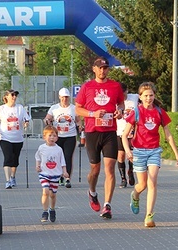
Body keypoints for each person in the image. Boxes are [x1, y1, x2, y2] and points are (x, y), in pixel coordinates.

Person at [122, 81, 178, 228]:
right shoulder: (136, 112)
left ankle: (149, 215)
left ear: (154, 96)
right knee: (142, 184)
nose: (149, 98)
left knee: (152, 181)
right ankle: (135, 195)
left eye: (151, 95)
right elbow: (124, 135)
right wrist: (128, 151)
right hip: (138, 151)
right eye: (146, 96)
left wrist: (177, 155)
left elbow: (168, 135)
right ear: (140, 97)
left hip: (154, 151)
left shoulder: (160, 112)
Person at [75, 56, 125, 219]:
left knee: (109, 168)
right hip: (93, 131)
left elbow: (121, 104)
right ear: (94, 69)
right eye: (100, 68)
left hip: (110, 131)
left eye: (105, 68)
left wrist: (120, 111)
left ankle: (107, 205)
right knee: (94, 170)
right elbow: (78, 109)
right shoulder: (87, 87)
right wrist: (93, 113)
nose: (103, 71)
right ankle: (92, 191)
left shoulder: (115, 86)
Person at [43, 87, 82, 188]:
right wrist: (47, 121)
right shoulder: (54, 108)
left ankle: (67, 178)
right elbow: (47, 118)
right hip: (57, 136)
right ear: (59, 97)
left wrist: (80, 125)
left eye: (66, 97)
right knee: (58, 157)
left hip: (70, 136)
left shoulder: (73, 108)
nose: (65, 99)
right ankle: (59, 176)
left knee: (68, 157)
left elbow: (78, 120)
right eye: (63, 97)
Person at [0, 89, 30, 189]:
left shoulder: (20, 108)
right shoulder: (1, 109)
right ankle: (7, 180)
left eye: (16, 95)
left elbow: (26, 119)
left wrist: (26, 124)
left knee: (15, 160)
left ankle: (13, 176)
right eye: (12, 95)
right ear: (6, 97)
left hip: (18, 138)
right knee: (8, 158)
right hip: (5, 137)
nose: (14, 97)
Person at [35, 125, 69, 222]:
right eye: (50, 135)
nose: (52, 138)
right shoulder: (41, 148)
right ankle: (45, 211)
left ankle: (52, 209)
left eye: (54, 136)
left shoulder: (59, 149)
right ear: (44, 137)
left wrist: (64, 171)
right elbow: (38, 157)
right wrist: (37, 166)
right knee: (45, 191)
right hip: (44, 173)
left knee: (52, 194)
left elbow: (62, 161)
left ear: (57, 138)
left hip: (55, 174)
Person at [116, 83, 139, 188]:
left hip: (133, 132)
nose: (123, 96)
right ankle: (123, 178)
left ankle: (130, 171)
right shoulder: (115, 101)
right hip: (120, 131)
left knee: (131, 156)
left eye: (124, 93)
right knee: (120, 155)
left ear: (127, 91)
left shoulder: (134, 98)